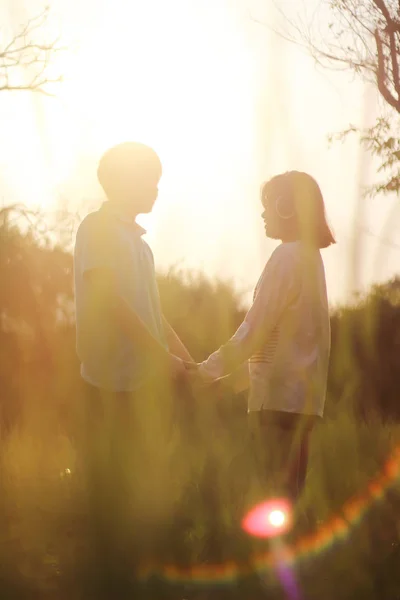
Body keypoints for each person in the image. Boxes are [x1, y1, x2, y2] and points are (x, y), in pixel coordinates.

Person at [73, 142, 195, 593]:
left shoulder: (139, 244)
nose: (157, 190)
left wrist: (182, 358)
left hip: (143, 385)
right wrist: (159, 357)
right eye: (150, 180)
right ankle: (108, 580)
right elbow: (112, 302)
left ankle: (140, 574)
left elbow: (151, 312)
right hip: (109, 383)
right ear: (123, 182)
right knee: (111, 493)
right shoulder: (98, 228)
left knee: (145, 484)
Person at [197, 170, 335, 504]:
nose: (263, 213)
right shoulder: (309, 258)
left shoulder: (286, 257)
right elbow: (286, 345)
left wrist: (205, 371)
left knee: (271, 501)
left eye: (268, 205)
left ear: (287, 207)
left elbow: (254, 331)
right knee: (289, 501)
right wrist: (232, 383)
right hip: (299, 405)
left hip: (275, 408)